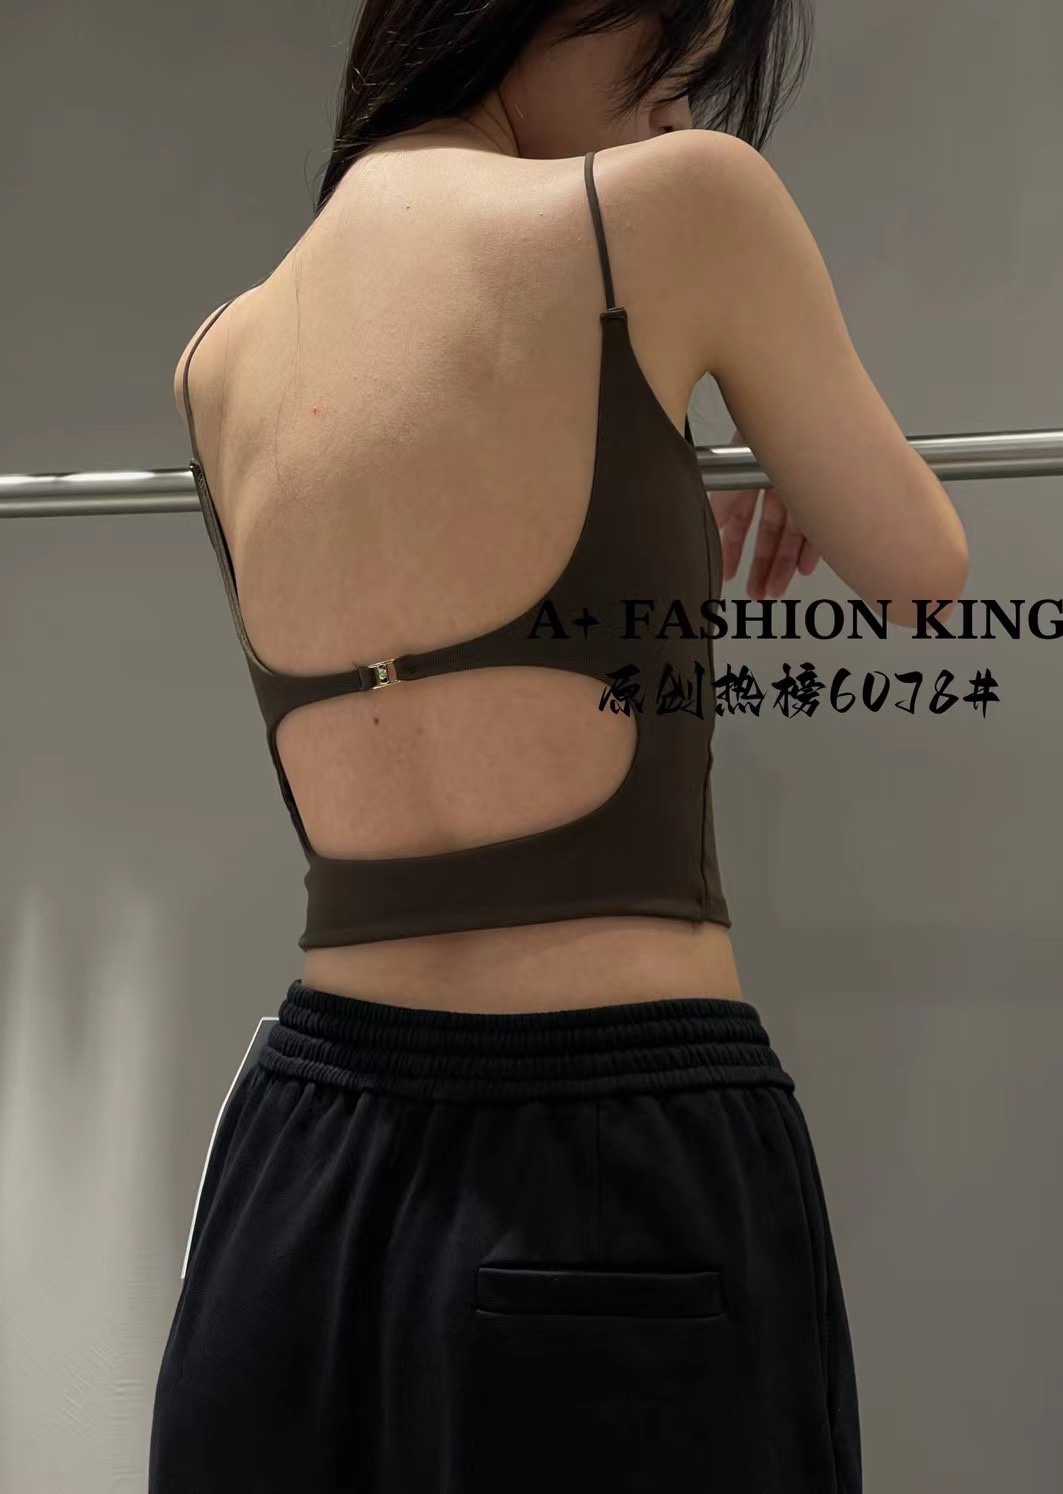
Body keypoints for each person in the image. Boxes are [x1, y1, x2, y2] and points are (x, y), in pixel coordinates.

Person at [150, 1, 969, 1489]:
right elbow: (921, 574)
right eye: (676, 60)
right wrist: (788, 433)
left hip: (295, 1182)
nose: (675, 112)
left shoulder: (220, 355)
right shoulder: (682, 206)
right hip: (609, 1166)